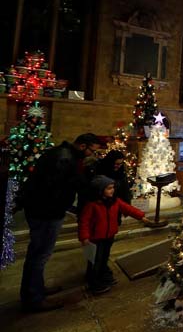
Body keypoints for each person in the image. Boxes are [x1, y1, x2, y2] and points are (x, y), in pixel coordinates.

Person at [20, 133, 102, 313]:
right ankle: (34, 298)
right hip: (45, 212)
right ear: (82, 146)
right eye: (91, 151)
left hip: (44, 210)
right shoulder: (64, 159)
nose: (91, 155)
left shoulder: (64, 154)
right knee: (39, 255)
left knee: (39, 254)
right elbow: (57, 187)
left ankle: (37, 289)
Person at [78, 175, 150, 294]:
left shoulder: (115, 201)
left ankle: (103, 276)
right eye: (109, 188)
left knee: (104, 258)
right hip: (96, 238)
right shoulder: (92, 205)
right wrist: (84, 237)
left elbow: (128, 209)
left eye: (113, 187)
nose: (112, 190)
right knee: (95, 260)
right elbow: (84, 221)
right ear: (100, 190)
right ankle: (93, 283)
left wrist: (141, 216)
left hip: (109, 236)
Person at [95, 150, 131, 225]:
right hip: (101, 206)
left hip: (115, 205)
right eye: (116, 163)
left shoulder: (121, 172)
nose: (118, 166)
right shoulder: (100, 170)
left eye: (120, 164)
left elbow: (125, 190)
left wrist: (127, 207)